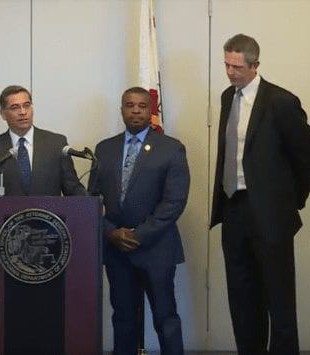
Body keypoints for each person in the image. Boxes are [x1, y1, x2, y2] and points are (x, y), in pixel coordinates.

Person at [210, 34, 310, 354]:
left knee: (279, 298)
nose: (231, 73)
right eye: (227, 65)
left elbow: (308, 156)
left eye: (237, 67)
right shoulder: (226, 98)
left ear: (255, 65)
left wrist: (289, 202)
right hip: (234, 209)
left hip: (271, 216)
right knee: (242, 297)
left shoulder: (281, 102)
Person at [88, 87, 189, 355]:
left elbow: (174, 202)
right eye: (129, 105)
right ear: (121, 109)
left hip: (156, 248)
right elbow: (93, 200)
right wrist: (110, 232)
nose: (135, 110)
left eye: (142, 106)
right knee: (123, 320)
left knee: (165, 318)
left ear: (150, 110)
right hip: (116, 250)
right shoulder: (104, 148)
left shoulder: (171, 148)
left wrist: (139, 235)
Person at [0, 85, 86, 197]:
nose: (23, 112)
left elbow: (72, 188)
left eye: (26, 106)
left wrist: (91, 205)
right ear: (3, 114)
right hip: (8, 214)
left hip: (48, 213)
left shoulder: (56, 144)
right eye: (15, 107)